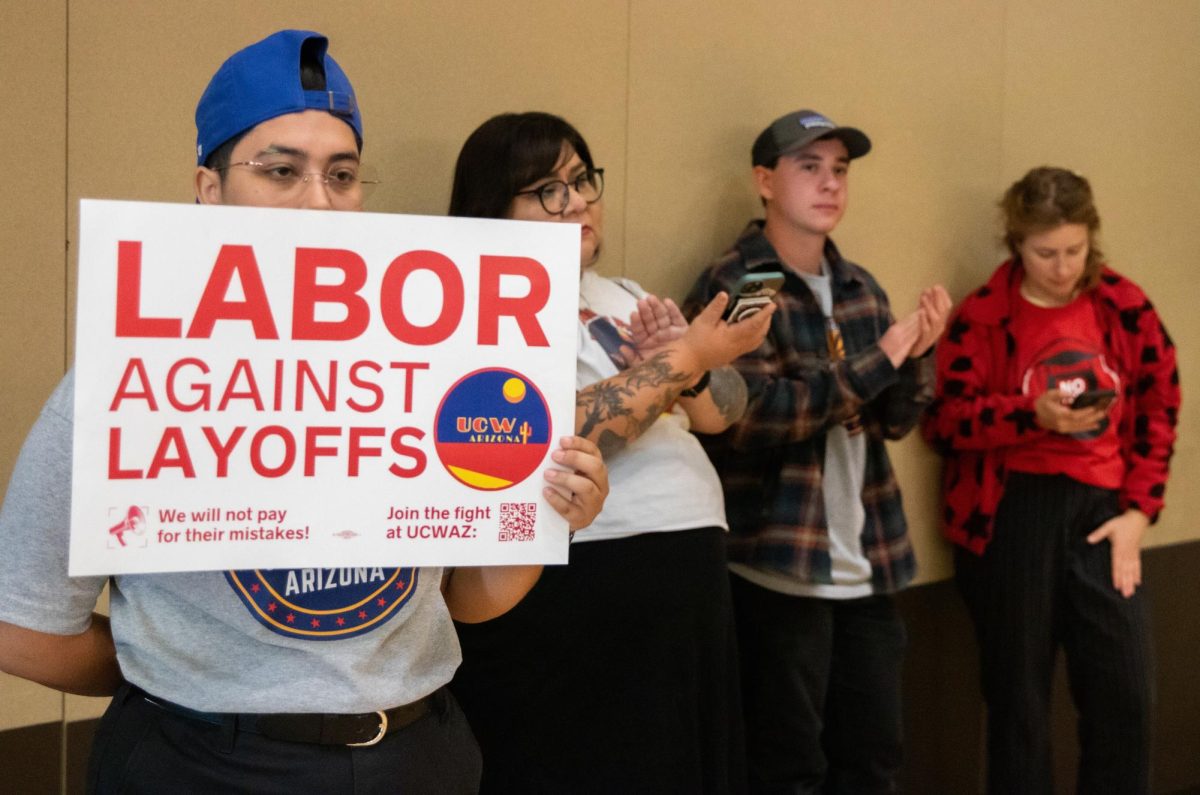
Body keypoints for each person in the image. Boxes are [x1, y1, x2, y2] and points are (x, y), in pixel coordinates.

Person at [0, 30, 607, 794]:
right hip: (200, 764)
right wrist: (177, 673)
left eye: (342, 174)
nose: (318, 201)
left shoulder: (439, 356)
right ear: (210, 188)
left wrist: (549, 515)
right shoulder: (128, 376)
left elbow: (461, 602)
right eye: (281, 170)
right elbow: (20, 627)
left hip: (417, 752)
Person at [445, 111, 775, 793]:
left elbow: (721, 412)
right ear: (492, 207)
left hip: (690, 577)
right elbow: (538, 443)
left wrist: (690, 368)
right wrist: (682, 360)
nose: (578, 202)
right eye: (546, 189)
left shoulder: (621, 292)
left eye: (582, 179)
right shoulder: (482, 305)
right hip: (592, 578)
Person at [684, 109, 952, 794]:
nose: (830, 183)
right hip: (779, 566)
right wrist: (882, 357)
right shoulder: (742, 283)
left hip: (868, 561)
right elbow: (753, 414)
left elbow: (893, 421)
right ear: (765, 181)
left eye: (840, 170)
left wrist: (916, 357)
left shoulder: (860, 285)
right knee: (787, 767)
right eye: (810, 167)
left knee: (874, 759)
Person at [922, 166, 1179, 794]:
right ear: (1016, 243)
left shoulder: (1124, 305)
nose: (1061, 268)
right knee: (1019, 708)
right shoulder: (984, 314)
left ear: (1091, 238)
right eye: (1045, 254)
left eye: (1073, 251)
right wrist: (1027, 412)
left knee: (1127, 694)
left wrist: (1139, 512)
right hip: (1011, 513)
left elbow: (1160, 406)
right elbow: (945, 422)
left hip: (1103, 509)